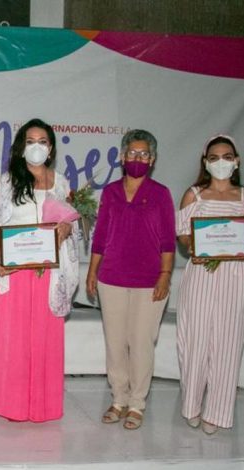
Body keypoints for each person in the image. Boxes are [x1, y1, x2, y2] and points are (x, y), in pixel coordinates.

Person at [0, 118, 78, 423]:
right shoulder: (8, 182)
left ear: (51, 148)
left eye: (42, 141)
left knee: (45, 339)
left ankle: (43, 406)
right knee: (14, 340)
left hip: (50, 273)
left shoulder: (61, 183)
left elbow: (73, 224)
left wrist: (67, 228)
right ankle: (11, 405)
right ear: (20, 147)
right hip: (15, 272)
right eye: (30, 141)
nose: (36, 147)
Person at [85, 129, 177, 430]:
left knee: (141, 342)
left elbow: (168, 241)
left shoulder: (161, 194)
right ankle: (119, 399)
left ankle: (137, 403)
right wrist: (92, 271)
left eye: (144, 154)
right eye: (132, 153)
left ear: (152, 159)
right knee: (115, 342)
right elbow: (100, 236)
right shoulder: (111, 192)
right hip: (111, 277)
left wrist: (165, 275)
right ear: (122, 157)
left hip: (150, 280)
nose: (138, 158)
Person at [175, 134, 244, 434]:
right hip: (201, 274)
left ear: (237, 161)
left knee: (228, 343)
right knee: (195, 339)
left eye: (227, 157)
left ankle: (218, 412)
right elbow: (183, 235)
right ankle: (191, 405)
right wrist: (193, 245)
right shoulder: (194, 195)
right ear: (205, 162)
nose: (221, 162)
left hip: (235, 275)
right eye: (214, 158)